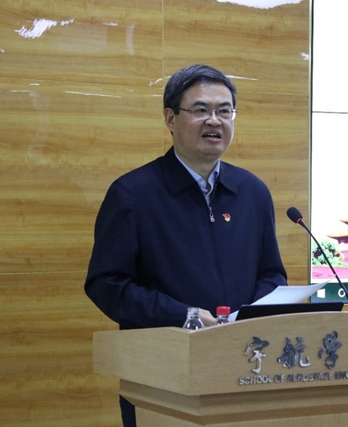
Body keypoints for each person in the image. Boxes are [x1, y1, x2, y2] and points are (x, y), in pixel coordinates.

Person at [84, 64, 288, 427]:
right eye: (200, 110)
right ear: (170, 118)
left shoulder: (252, 192)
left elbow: (272, 275)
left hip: (243, 366)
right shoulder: (133, 194)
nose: (214, 121)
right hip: (161, 374)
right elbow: (107, 284)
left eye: (224, 111)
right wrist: (185, 315)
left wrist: (245, 318)